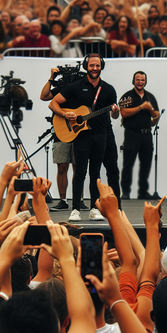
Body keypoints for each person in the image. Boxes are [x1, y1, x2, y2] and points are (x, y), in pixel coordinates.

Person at [48, 53, 119, 221]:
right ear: (86, 66)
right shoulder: (76, 86)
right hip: (82, 135)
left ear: (101, 66)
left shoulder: (108, 89)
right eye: (91, 65)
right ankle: (75, 209)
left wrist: (116, 112)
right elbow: (53, 103)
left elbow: (115, 117)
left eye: (97, 65)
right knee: (80, 171)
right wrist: (66, 115)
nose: (94, 68)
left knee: (95, 173)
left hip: (101, 134)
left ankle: (95, 208)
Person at [120, 71, 160, 201]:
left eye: (142, 80)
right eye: (137, 80)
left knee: (146, 163)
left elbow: (156, 114)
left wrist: (150, 111)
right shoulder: (127, 96)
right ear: (133, 81)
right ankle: (125, 191)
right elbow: (124, 113)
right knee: (128, 163)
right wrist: (142, 107)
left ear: (145, 81)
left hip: (146, 135)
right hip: (132, 134)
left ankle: (143, 191)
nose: (140, 82)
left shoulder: (150, 96)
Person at [41, 67, 73, 211]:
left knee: (80, 167)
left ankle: (79, 199)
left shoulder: (81, 86)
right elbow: (44, 96)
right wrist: (51, 77)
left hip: (80, 130)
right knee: (62, 166)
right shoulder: (60, 88)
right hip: (61, 130)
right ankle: (63, 200)